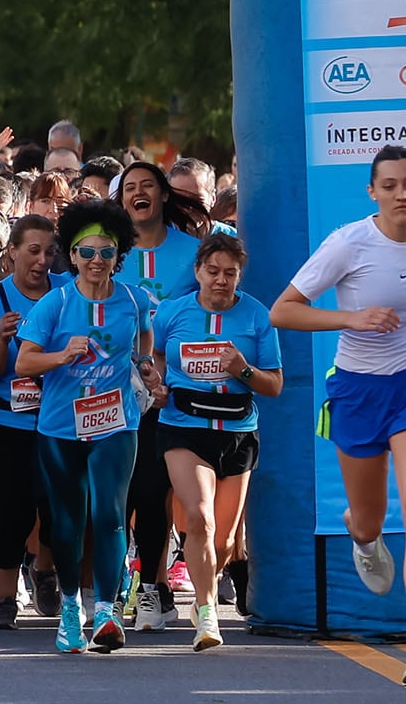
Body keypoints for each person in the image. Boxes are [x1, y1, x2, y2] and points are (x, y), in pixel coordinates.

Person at [16, 198, 162, 654]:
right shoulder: (56, 302)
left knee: (110, 514)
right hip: (60, 426)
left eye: (106, 252)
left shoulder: (135, 299)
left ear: (119, 256)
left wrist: (146, 368)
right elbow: (24, 362)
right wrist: (62, 355)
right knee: (67, 521)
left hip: (117, 420)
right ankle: (68, 609)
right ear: (72, 255)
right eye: (86, 252)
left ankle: (106, 612)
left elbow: (144, 340)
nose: (96, 261)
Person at [272, 145, 406, 615]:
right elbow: (282, 311)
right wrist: (352, 318)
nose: (401, 194)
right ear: (372, 192)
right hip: (359, 389)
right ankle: (362, 536)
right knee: (370, 521)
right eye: (390, 186)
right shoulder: (349, 243)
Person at [154, 233, 281, 649]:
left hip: (237, 430)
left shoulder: (257, 317)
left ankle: (207, 587)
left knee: (224, 539)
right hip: (183, 427)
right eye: (213, 271)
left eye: (230, 273)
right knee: (200, 518)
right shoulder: (172, 313)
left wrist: (243, 370)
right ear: (198, 272)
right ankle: (207, 614)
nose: (221, 280)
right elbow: (151, 355)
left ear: (239, 276)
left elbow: (274, 385)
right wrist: (155, 381)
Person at [113, 161, 205, 629]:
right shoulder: (108, 252)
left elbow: (212, 313)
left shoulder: (193, 252)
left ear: (165, 195)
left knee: (153, 493)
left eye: (148, 185)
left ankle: (151, 588)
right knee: (118, 495)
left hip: (171, 392)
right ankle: (107, 592)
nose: (139, 193)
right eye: (130, 187)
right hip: (114, 391)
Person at [0, 214, 58, 626]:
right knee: (12, 511)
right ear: (12, 255)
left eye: (49, 252)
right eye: (33, 251)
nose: (41, 261)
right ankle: (5, 597)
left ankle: (44, 567)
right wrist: (3, 340)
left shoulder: (67, 294)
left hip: (59, 419)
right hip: (6, 418)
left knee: (57, 507)